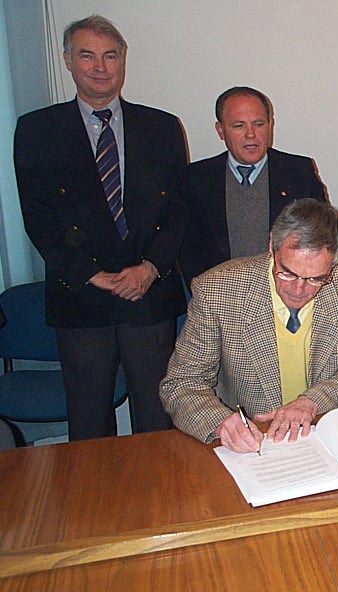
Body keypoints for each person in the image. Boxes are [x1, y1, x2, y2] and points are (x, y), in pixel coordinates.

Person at [14, 15, 187, 440]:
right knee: (89, 418)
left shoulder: (161, 126)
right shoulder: (37, 129)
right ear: (68, 61)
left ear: (122, 60)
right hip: (81, 297)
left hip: (148, 294)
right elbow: (37, 216)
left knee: (157, 415)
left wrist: (149, 268)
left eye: (110, 56)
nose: (100, 66)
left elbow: (179, 210)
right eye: (87, 55)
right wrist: (89, 273)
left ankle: (161, 499)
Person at [160, 199, 338, 452]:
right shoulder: (217, 291)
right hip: (248, 439)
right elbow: (181, 382)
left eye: (316, 279)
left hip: (320, 433)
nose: (298, 290)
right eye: (287, 272)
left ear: (335, 264)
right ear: (272, 246)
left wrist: (310, 402)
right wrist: (221, 422)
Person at [180, 86, 326, 286]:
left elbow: (320, 237)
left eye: (258, 124)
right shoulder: (196, 178)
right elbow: (187, 249)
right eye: (239, 125)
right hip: (219, 295)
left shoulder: (298, 171)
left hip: (286, 295)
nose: (251, 134)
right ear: (220, 130)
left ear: (270, 125)